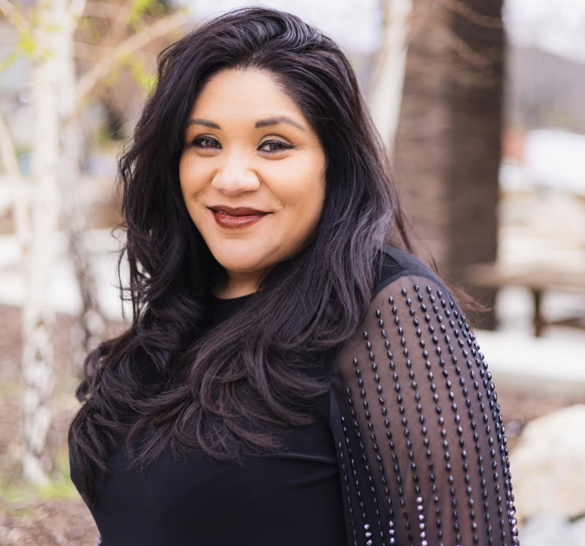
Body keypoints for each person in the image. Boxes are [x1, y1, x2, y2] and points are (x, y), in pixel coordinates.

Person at [68, 7, 519, 546]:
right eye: (205, 142)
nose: (232, 178)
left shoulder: (388, 306)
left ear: (333, 162)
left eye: (274, 144)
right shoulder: (183, 304)